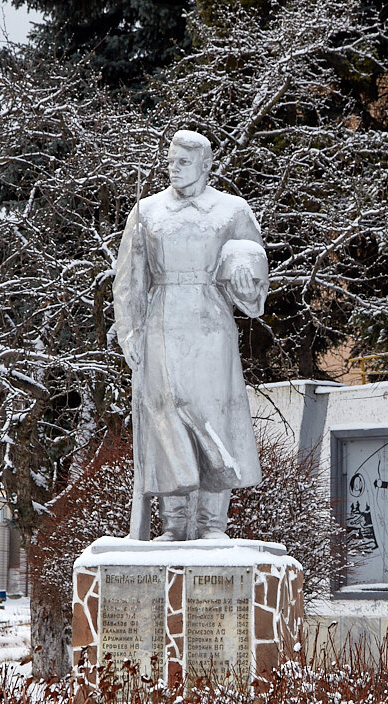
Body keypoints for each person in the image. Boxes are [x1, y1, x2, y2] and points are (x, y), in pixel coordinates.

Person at [113, 130, 269, 540]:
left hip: (211, 325)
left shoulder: (232, 210)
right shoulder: (148, 212)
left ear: (205, 165)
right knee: (167, 420)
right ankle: (176, 524)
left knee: (213, 416)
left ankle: (212, 524)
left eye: (183, 161)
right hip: (162, 327)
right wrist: (130, 334)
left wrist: (245, 273)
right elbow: (128, 280)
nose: (173, 168)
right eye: (169, 161)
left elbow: (254, 262)